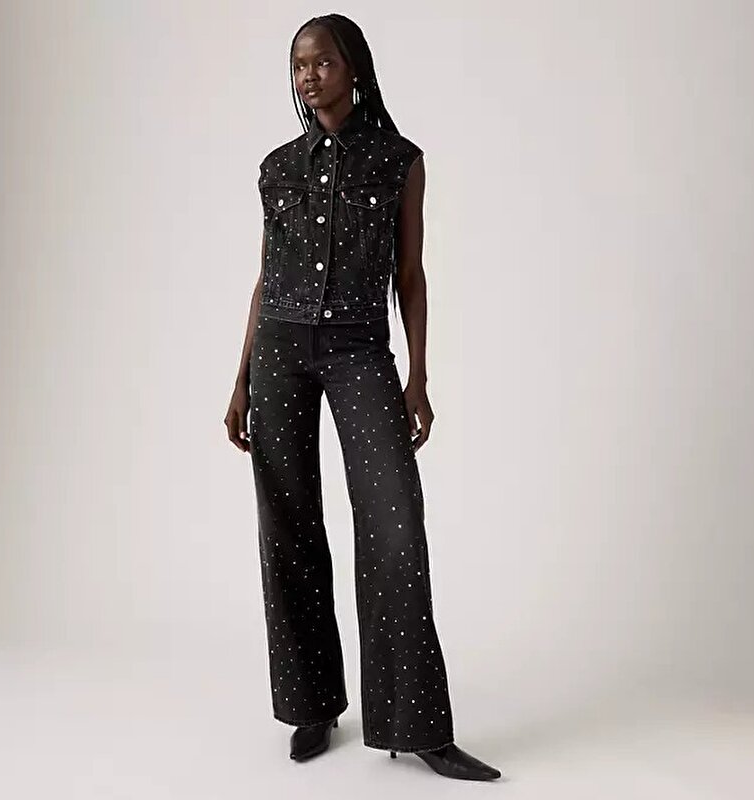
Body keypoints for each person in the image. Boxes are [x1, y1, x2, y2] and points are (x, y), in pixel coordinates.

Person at [225, 14, 500, 781]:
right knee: (286, 523)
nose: (308, 77)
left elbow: (409, 274)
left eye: (321, 62)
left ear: (354, 68)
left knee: (395, 524)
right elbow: (265, 277)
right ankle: (311, 704)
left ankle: (419, 726)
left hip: (358, 349)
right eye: (298, 65)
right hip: (280, 350)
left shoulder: (398, 161)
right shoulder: (278, 168)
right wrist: (241, 378)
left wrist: (418, 376)